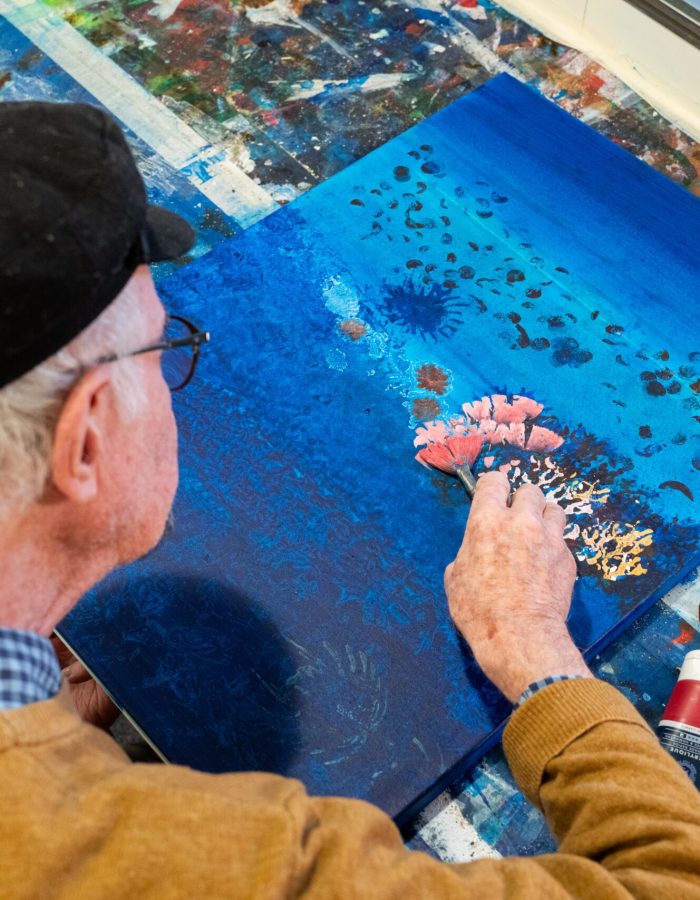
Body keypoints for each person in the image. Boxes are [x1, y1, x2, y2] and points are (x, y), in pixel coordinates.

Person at [0, 100, 698, 900]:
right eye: (168, 347)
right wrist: (543, 664)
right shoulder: (229, 862)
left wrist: (47, 733)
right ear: (85, 439)